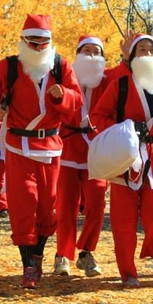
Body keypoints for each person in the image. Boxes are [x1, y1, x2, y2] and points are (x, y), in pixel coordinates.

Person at [0, 13, 83, 289]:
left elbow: (77, 101)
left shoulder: (61, 66)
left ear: (50, 43)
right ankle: (28, 264)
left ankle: (37, 254)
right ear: (23, 42)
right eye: (33, 42)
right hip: (18, 144)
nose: (38, 48)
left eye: (43, 43)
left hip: (50, 145)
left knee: (47, 206)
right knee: (23, 203)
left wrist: (65, 96)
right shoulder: (9, 67)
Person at [90, 34, 153, 287]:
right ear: (133, 57)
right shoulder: (120, 85)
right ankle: (128, 272)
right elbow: (99, 115)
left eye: (151, 50)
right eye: (141, 50)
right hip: (125, 158)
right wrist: (121, 131)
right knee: (123, 221)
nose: (146, 54)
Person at [53, 35, 112, 278]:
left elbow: (130, 72)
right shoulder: (65, 76)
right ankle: (62, 255)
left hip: (96, 148)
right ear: (77, 54)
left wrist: (130, 53)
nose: (90, 55)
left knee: (97, 204)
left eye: (96, 51)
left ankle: (86, 251)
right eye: (85, 50)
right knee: (65, 205)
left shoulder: (108, 80)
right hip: (68, 146)